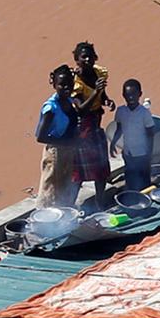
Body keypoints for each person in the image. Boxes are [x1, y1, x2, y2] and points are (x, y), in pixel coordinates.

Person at [67, 42, 113, 204]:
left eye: (90, 56)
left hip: (95, 125)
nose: (87, 59)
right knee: (78, 173)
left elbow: (102, 94)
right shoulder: (75, 82)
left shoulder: (98, 73)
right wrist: (95, 92)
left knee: (101, 168)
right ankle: (70, 206)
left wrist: (107, 101)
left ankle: (100, 202)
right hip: (82, 130)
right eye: (83, 57)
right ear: (76, 60)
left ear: (95, 58)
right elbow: (80, 110)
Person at [34, 65, 80, 207]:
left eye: (69, 84)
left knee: (65, 184)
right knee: (51, 188)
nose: (66, 88)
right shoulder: (51, 109)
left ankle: (63, 216)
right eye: (62, 85)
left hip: (68, 150)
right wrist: (64, 142)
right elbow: (40, 136)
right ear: (54, 85)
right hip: (55, 152)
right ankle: (46, 218)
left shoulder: (70, 102)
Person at [110, 78, 155, 190]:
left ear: (140, 94)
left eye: (133, 94)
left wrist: (149, 153)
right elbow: (119, 129)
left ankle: (145, 198)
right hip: (128, 153)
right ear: (123, 95)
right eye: (127, 95)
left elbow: (150, 134)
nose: (130, 98)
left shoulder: (144, 113)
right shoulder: (121, 111)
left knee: (144, 179)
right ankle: (133, 197)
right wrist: (113, 143)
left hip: (142, 154)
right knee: (130, 178)